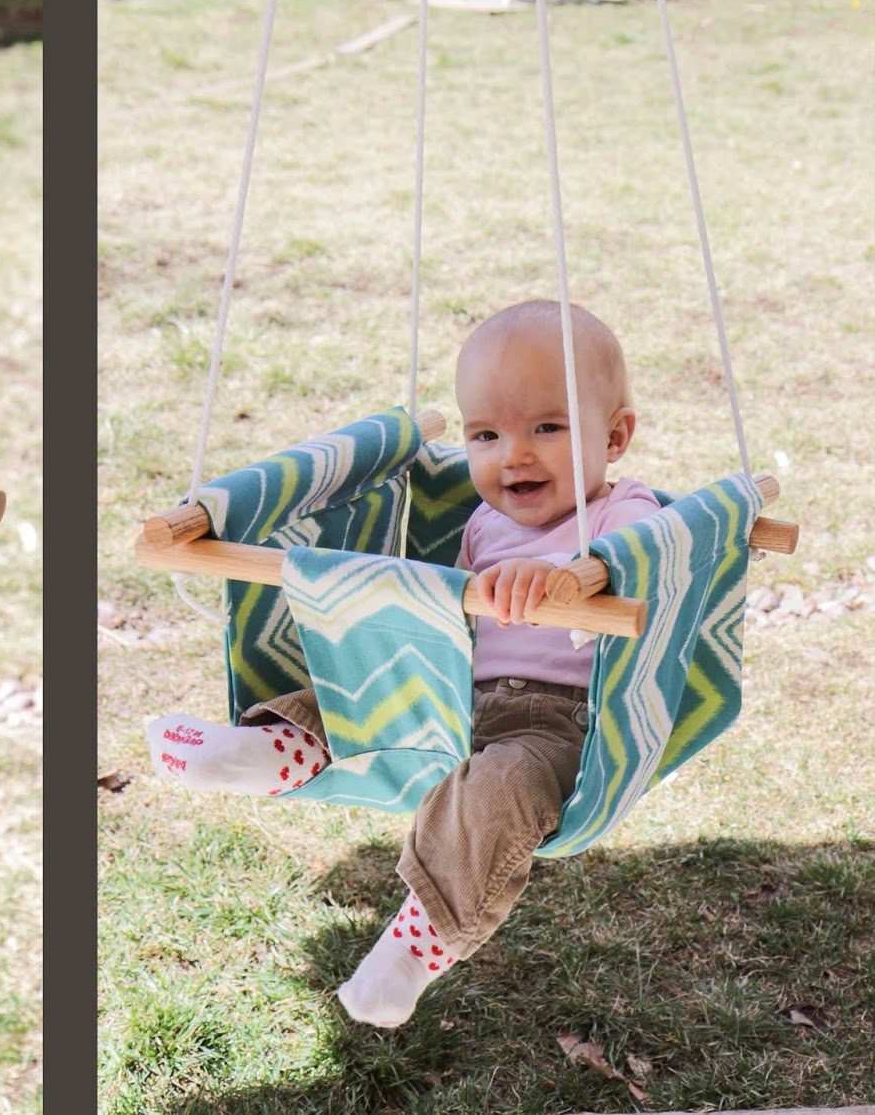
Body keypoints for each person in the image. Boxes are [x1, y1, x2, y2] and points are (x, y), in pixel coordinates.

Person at [145, 299, 661, 1028]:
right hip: (457, 701)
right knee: (363, 686)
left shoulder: (622, 512)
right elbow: (441, 624)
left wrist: (569, 576)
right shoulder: (483, 522)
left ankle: (416, 945)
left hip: (560, 724)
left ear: (615, 437)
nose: (513, 453)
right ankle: (266, 749)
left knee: (500, 788)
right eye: (486, 434)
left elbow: (637, 565)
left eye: (546, 427)